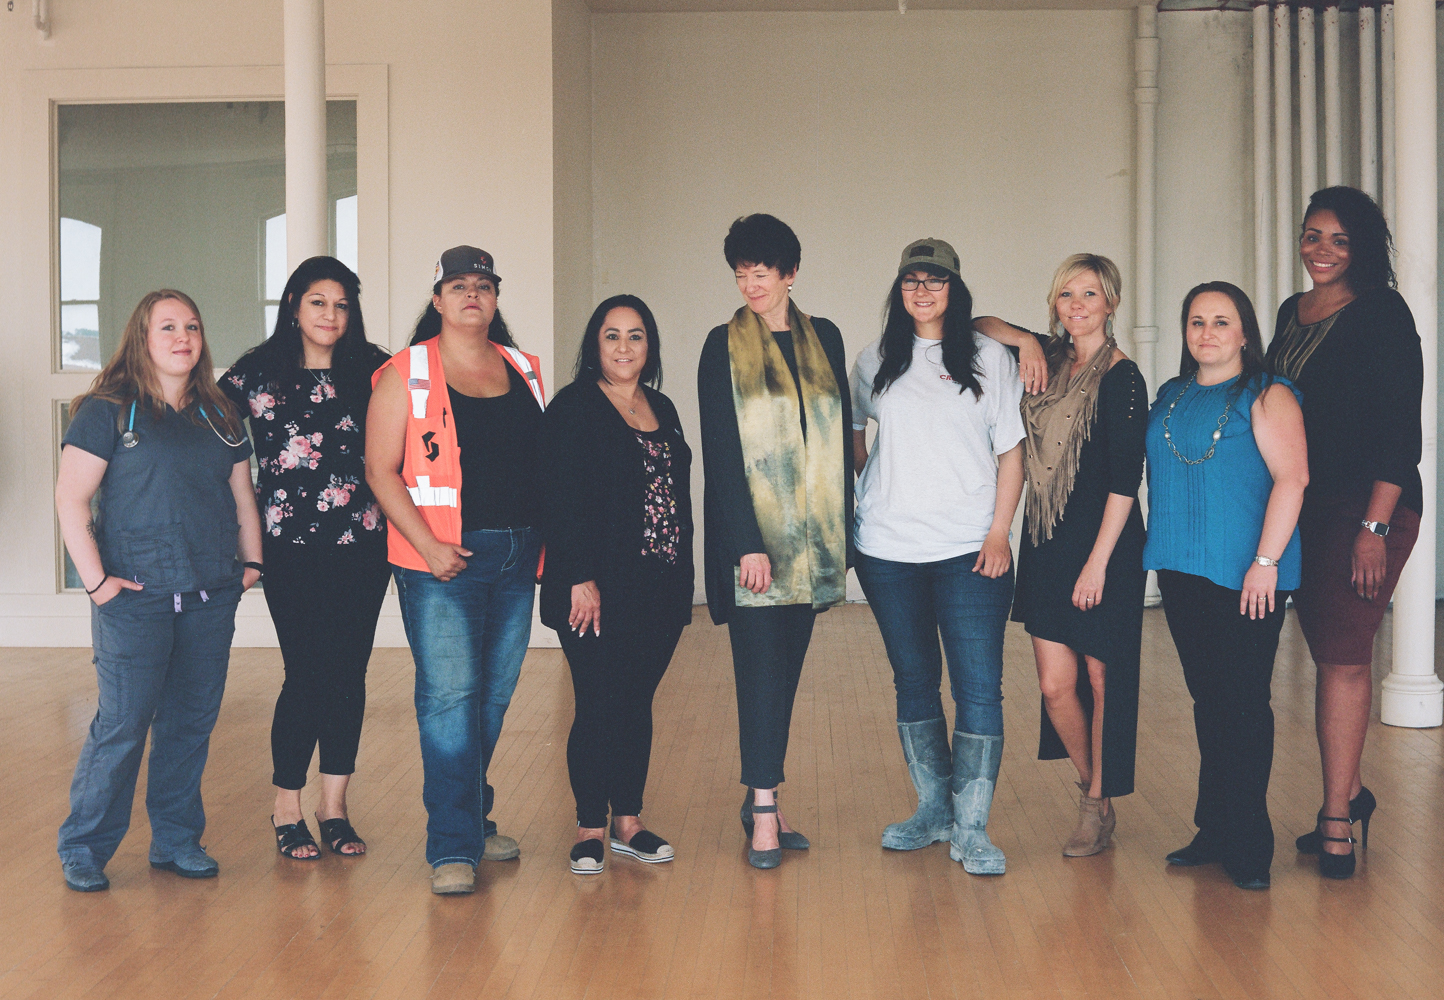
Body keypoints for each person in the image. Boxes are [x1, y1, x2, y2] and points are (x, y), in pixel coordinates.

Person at [55, 290, 263, 892]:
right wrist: (96, 585)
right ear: (141, 338)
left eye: (192, 327)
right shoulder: (107, 410)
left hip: (208, 595)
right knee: (123, 724)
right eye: (167, 326)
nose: (183, 337)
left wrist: (250, 562)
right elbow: (71, 500)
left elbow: (241, 495)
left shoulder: (219, 412)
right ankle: (84, 848)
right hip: (134, 600)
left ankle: (176, 840)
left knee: (189, 725)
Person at [366, 246, 546, 895]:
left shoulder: (522, 368)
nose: (472, 295)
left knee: (491, 697)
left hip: (518, 555)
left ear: (495, 299)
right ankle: (451, 845)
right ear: (437, 299)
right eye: (459, 286)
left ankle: (471, 814)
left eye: (484, 286)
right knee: (449, 699)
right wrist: (430, 545)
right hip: (440, 563)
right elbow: (380, 471)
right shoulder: (406, 372)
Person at [850, 239, 1025, 875]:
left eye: (936, 281)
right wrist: (876, 489)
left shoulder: (989, 359)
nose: (923, 292)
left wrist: (1000, 531)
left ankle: (972, 828)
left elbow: (1012, 451)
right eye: (912, 282)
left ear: (955, 288)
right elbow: (855, 434)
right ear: (899, 290)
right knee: (914, 680)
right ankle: (933, 811)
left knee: (979, 686)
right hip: (889, 550)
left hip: (971, 548)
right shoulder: (875, 360)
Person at [1266, 187, 1423, 880]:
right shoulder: (1287, 313)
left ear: (1361, 247)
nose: (1321, 250)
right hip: (1302, 501)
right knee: (1325, 643)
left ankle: (1336, 819)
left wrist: (1373, 527)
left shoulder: (1385, 314)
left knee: (1344, 651)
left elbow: (1400, 433)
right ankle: (1351, 795)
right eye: (1311, 236)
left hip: (1369, 505)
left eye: (1337, 239)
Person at [975, 253, 1147, 857]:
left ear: (1112, 304)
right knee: (1054, 685)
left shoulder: (1124, 378)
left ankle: (1095, 806)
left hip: (1105, 543)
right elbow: (976, 322)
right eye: (1067, 295)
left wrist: (1099, 563)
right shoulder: (1044, 358)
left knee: (1100, 677)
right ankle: (1092, 789)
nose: (1077, 305)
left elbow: (1127, 481)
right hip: (1046, 540)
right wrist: (1025, 338)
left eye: (1090, 295)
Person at [221, 256, 391, 860]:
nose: (331, 315)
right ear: (293, 304)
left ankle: (334, 808)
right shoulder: (256, 372)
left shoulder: (375, 369)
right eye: (319, 302)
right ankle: (286, 806)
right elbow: (202, 431)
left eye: (342, 304)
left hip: (365, 548)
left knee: (349, 674)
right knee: (308, 673)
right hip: (289, 551)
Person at [697, 214, 852, 870]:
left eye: (760, 271)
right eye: (740, 272)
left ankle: (766, 792)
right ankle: (763, 811)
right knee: (759, 673)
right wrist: (746, 543)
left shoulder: (829, 340)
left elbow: (841, 439)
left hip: (814, 545)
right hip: (757, 548)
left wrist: (846, 535)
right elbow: (723, 451)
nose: (749, 283)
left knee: (784, 676)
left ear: (789, 273)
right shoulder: (720, 345)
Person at [1144, 282, 1308, 890]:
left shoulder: (1268, 396)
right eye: (1196, 322)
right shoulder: (1172, 393)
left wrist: (1265, 562)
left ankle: (1249, 841)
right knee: (1209, 702)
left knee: (1242, 704)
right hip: (1182, 570)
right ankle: (1213, 828)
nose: (1207, 333)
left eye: (1221, 321)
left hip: (1248, 576)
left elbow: (1293, 480)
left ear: (1245, 333)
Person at [539, 295, 694, 874]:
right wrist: (578, 577)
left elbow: (675, 498)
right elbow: (558, 500)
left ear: (648, 346)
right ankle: (589, 826)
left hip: (660, 584)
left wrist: (686, 578)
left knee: (637, 702)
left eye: (635, 336)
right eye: (612, 336)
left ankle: (628, 821)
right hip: (596, 589)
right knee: (599, 701)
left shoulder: (664, 407)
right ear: (594, 345)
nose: (624, 347)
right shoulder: (573, 407)